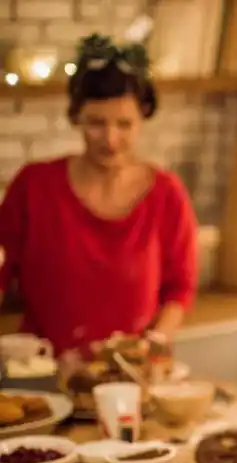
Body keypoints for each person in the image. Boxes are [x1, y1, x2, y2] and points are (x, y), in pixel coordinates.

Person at [0, 33, 198, 371]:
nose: (110, 139)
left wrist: (155, 344)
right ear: (75, 116)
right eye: (96, 123)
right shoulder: (34, 187)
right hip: (44, 374)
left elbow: (179, 289)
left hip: (134, 375)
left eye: (124, 124)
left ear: (144, 118)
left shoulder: (166, 194)